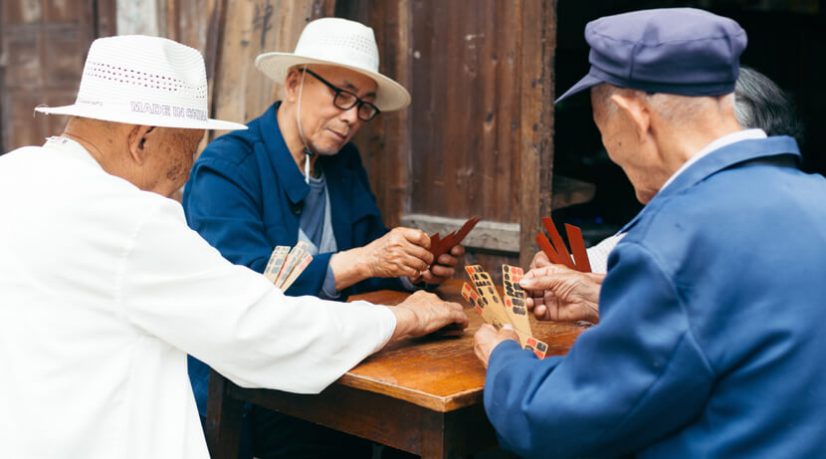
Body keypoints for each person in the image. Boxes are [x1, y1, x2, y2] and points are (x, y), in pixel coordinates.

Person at [0, 35, 467, 458]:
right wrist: (402, 317)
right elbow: (260, 326)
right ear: (142, 140)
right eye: (181, 158)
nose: (178, 183)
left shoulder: (14, 175)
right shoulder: (133, 217)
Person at [474, 8, 826, 458]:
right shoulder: (814, 198)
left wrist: (503, 356)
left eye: (599, 121)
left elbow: (557, 423)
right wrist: (606, 299)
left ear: (633, 115)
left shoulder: (674, 239)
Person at [181, 17, 464, 457]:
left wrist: (413, 268)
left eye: (364, 105)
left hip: (337, 372)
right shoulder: (226, 167)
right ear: (294, 82)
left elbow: (369, 246)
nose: (352, 117)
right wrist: (367, 260)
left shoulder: (343, 164)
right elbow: (246, 283)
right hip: (251, 390)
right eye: (342, 95)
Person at [523, 65, 807, 324]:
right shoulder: (696, 210)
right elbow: (628, 254)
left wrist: (505, 359)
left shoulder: (734, 220)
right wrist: (573, 272)